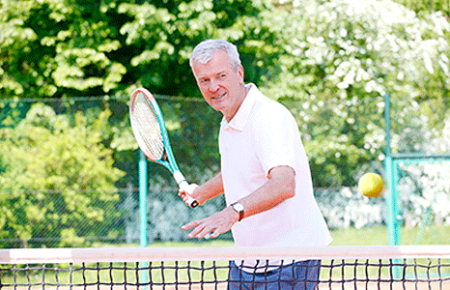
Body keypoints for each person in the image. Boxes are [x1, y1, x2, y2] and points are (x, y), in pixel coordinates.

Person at [179, 39, 332, 290]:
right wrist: (202, 192)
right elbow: (239, 170)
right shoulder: (229, 119)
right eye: (204, 80)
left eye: (220, 76)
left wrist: (231, 213)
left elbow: (284, 184)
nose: (213, 87)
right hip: (247, 260)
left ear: (239, 73)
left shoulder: (268, 117)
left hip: (290, 259)